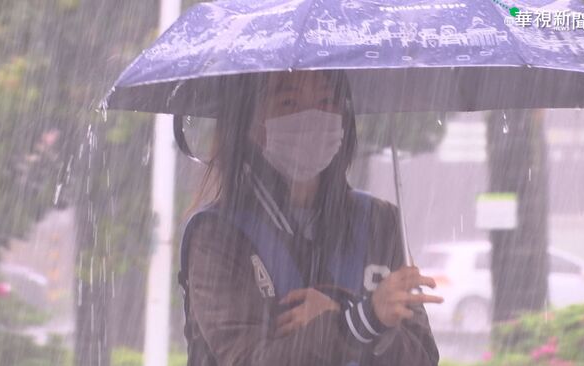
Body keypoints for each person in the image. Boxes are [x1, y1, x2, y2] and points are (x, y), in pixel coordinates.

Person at [178, 69, 443, 366]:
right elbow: (248, 359)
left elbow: (422, 356)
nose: (312, 117)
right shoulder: (217, 234)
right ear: (249, 123)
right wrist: (359, 322)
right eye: (289, 102)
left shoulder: (380, 223)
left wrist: (351, 315)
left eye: (326, 100)